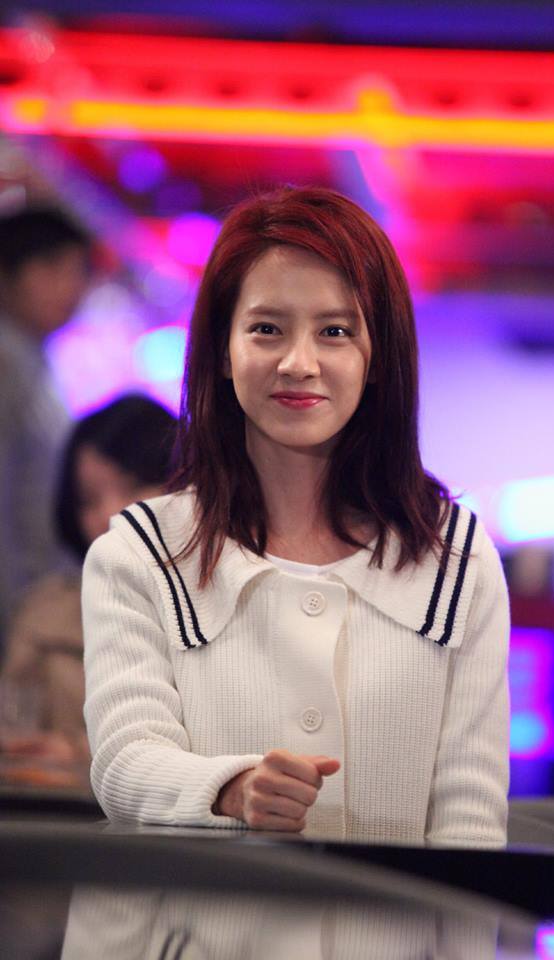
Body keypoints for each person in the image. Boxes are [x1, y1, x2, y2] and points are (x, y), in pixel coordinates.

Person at [82, 187, 510, 847]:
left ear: (378, 357)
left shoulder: (457, 559)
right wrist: (233, 790)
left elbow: (470, 824)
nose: (299, 364)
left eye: (335, 332)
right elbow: (123, 763)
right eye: (267, 329)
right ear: (222, 351)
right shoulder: (140, 553)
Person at [0, 395, 177, 785]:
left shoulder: (214, 602)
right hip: (53, 811)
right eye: (87, 500)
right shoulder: (43, 610)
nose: (109, 514)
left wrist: (78, 753)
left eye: (133, 487)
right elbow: (15, 725)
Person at [0, 206, 92, 646]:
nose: (70, 287)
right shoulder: (7, 362)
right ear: (6, 274)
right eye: (52, 267)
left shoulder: (30, 358)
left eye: (80, 271)